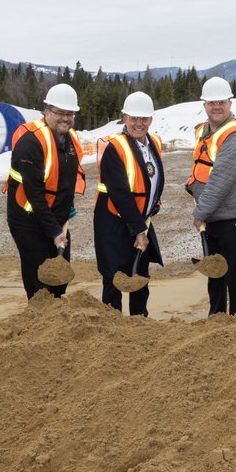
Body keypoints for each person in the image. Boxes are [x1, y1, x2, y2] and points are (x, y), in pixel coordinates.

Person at [7, 83, 85, 300]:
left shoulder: (71, 139)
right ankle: (37, 325)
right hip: (28, 220)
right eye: (59, 112)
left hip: (55, 219)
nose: (65, 118)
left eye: (69, 113)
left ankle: (55, 327)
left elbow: (66, 178)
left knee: (60, 277)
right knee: (39, 283)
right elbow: (35, 194)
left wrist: (67, 206)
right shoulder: (30, 142)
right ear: (47, 111)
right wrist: (55, 231)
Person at [188, 76, 236, 316]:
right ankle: (217, 317)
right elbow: (203, 168)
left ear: (230, 103)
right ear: (204, 105)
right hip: (214, 216)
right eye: (211, 102)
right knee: (214, 270)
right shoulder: (204, 131)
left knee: (234, 272)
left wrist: (199, 213)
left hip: (233, 216)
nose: (216, 106)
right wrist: (192, 186)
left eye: (221, 102)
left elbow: (220, 181)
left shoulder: (235, 137)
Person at [94, 91, 165, 316]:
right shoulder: (114, 148)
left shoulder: (153, 143)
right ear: (124, 118)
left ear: (151, 119)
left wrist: (154, 203)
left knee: (140, 275)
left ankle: (139, 323)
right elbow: (120, 194)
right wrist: (139, 231)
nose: (139, 123)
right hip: (114, 221)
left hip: (141, 220)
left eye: (144, 119)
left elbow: (152, 179)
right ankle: (112, 325)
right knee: (114, 277)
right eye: (134, 118)